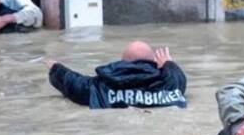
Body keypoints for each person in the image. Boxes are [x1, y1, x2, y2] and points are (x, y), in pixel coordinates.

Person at [45, 40, 187, 109]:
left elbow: (77, 85)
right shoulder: (169, 82)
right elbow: (180, 81)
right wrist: (169, 65)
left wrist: (57, 70)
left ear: (122, 63)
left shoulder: (102, 85)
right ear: (155, 64)